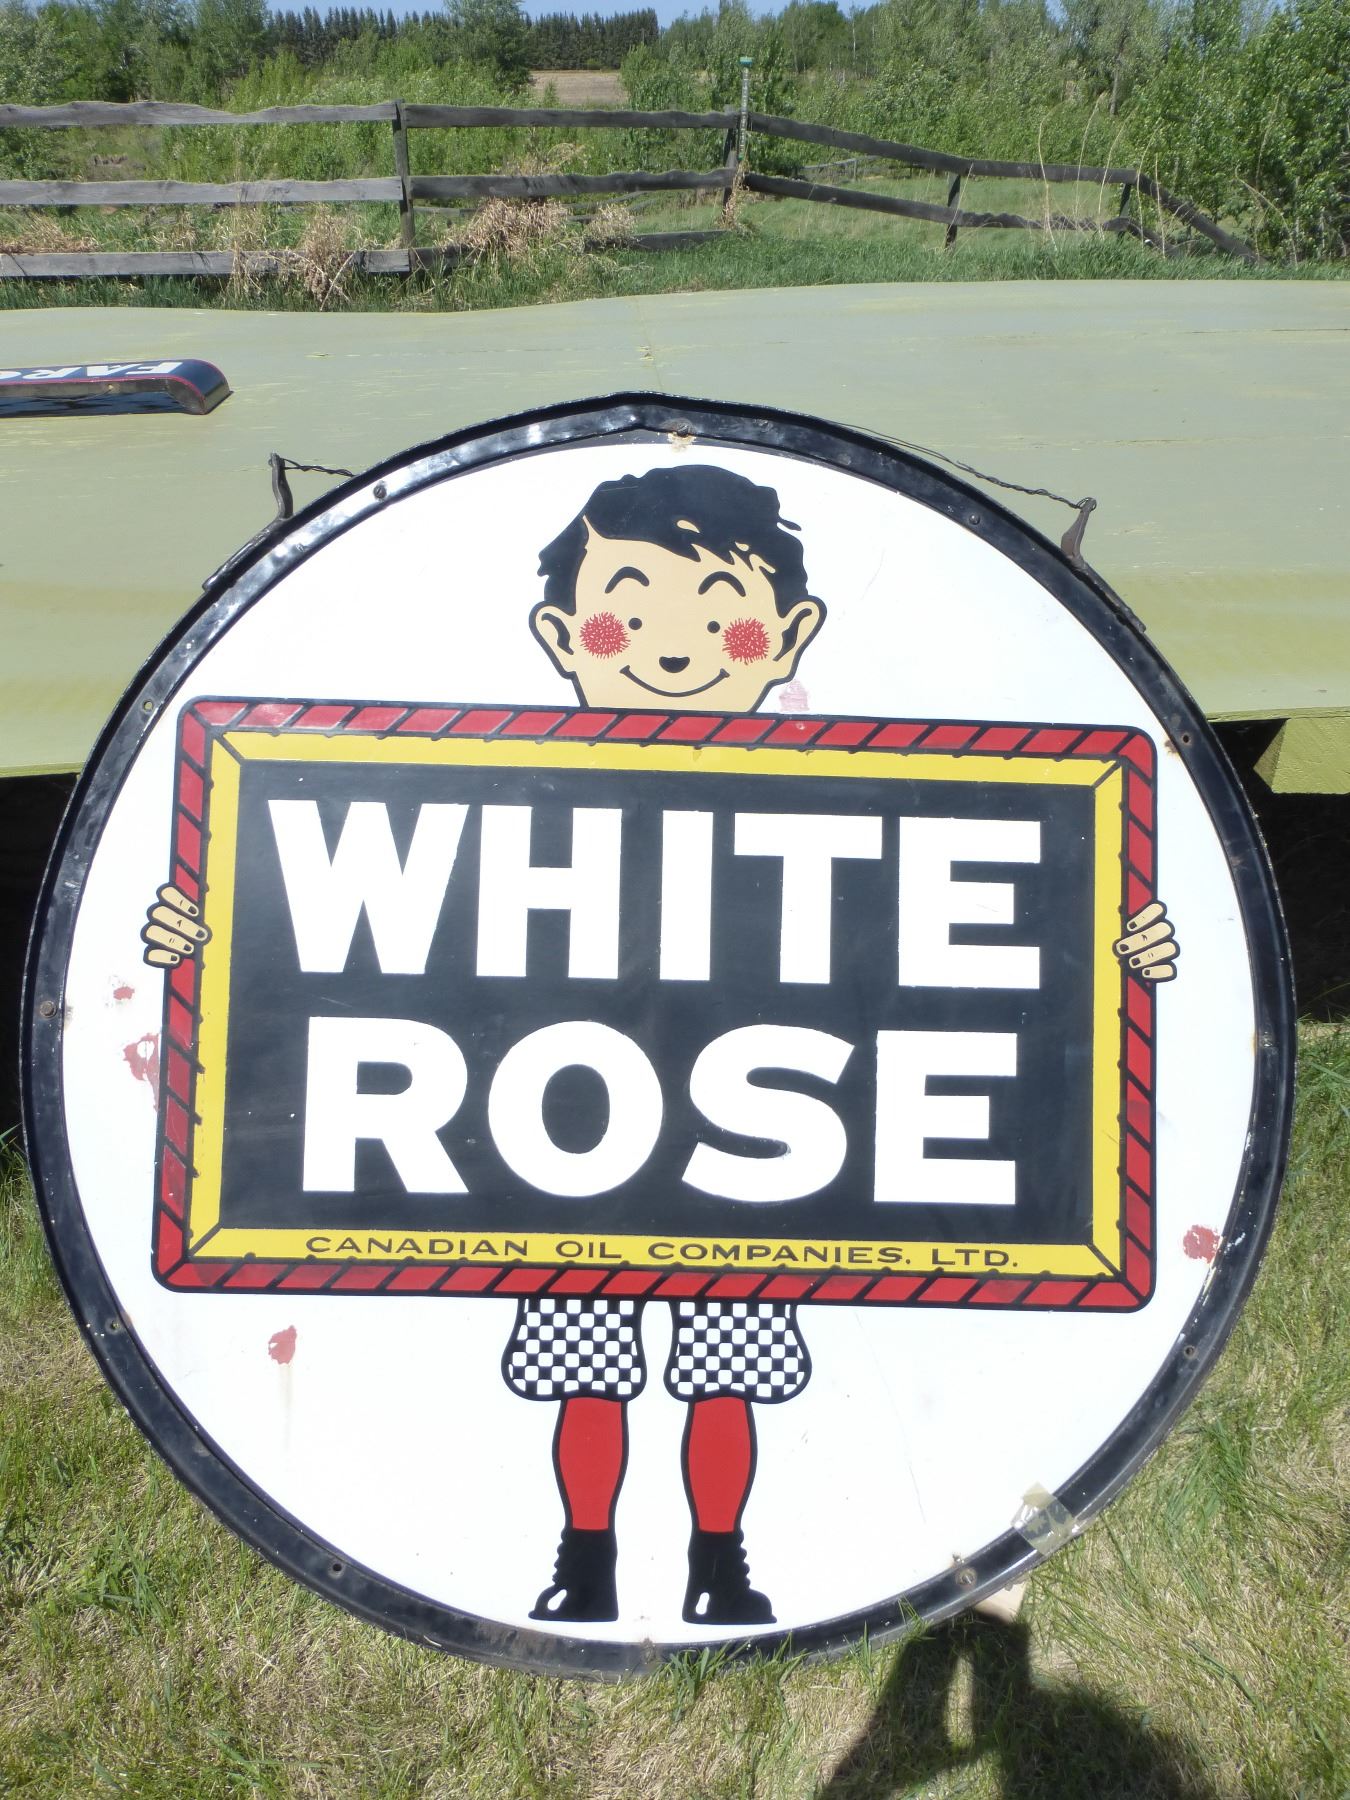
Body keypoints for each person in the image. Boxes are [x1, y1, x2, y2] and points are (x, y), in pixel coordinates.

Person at [142, 461, 1179, 1629]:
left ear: (793, 635)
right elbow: (309, 915)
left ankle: (719, 1565)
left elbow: (969, 929)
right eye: (623, 615)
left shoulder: (829, 791)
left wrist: (1124, 943)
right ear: (557, 637)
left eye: (722, 616)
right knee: (585, 1374)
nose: (672, 646)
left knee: (726, 1377)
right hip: (573, 1157)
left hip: (756, 1173)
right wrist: (195, 927)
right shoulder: (517, 787)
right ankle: (584, 1562)